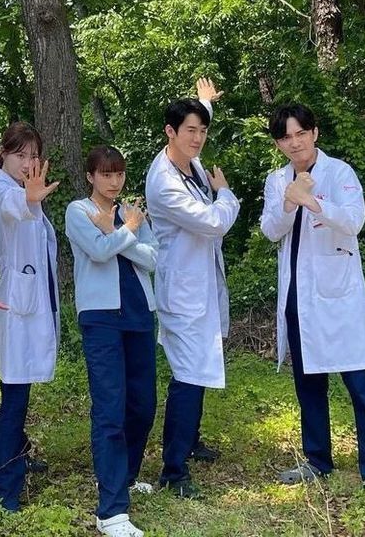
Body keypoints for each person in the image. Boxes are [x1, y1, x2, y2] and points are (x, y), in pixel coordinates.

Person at [260, 103, 365, 491]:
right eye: (285, 137)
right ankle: (317, 459)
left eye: (300, 133)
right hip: (297, 298)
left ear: (314, 133)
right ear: (278, 143)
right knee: (308, 385)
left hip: (339, 296)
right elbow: (271, 230)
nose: (295, 143)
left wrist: (312, 200)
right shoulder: (277, 180)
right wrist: (289, 201)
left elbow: (354, 220)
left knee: (362, 383)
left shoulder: (339, 172)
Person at [145, 91, 240, 498]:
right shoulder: (164, 182)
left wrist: (204, 105)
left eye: (202, 130)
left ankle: (191, 440)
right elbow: (214, 222)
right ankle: (173, 469)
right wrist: (226, 193)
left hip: (201, 283)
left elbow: (195, 123)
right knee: (187, 375)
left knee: (198, 368)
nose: (198, 138)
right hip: (182, 292)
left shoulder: (189, 162)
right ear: (170, 132)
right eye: (189, 131)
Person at [65, 146, 157, 537]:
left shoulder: (130, 213)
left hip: (139, 315)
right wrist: (125, 232)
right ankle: (112, 510)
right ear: (91, 176)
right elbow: (100, 253)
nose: (113, 181)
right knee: (110, 408)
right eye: (105, 174)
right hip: (101, 319)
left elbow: (153, 260)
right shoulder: (77, 211)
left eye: (118, 174)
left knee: (143, 404)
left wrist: (122, 231)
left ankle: (128, 474)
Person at [0, 122, 60, 512]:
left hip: (29, 300)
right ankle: (6, 486)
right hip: (16, 304)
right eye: (21, 155)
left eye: (33, 155)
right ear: (4, 154)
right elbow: (14, 211)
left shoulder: (21, 190)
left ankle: (19, 455)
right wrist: (30, 200)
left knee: (20, 389)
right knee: (14, 394)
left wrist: (31, 198)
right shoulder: (2, 191)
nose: (28, 162)